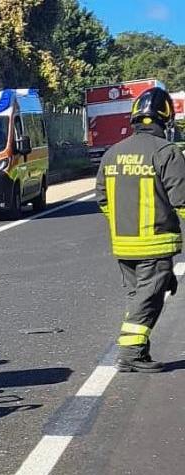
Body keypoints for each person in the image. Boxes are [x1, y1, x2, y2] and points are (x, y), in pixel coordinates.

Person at [96, 87, 185, 373]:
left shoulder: (112, 153)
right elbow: (182, 200)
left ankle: (138, 351)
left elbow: (102, 199)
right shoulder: (166, 152)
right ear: (166, 119)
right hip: (155, 243)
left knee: (139, 297)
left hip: (124, 245)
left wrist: (122, 224)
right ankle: (130, 352)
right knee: (149, 298)